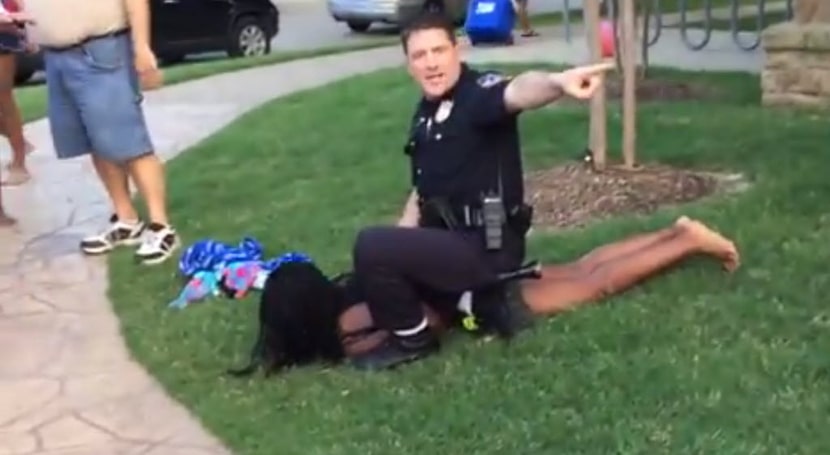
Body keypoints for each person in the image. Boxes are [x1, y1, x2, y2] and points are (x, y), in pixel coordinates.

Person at [345, 12, 615, 371]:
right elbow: (421, 191)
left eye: (438, 51)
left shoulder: (478, 95)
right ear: (409, 65)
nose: (431, 63)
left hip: (486, 247)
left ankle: (413, 340)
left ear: (457, 50)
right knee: (371, 266)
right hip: (449, 241)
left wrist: (555, 82)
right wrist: (399, 241)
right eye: (419, 55)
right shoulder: (425, 113)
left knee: (371, 244)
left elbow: (517, 91)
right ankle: (479, 302)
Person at [229, 216, 740, 377]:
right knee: (584, 265)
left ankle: (687, 242)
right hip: (472, 271)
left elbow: (423, 324)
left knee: (594, 283)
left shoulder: (350, 327)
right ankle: (673, 233)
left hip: (476, 297)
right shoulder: (348, 288)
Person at [23, 0, 178, 264]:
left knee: (129, 139)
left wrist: (142, 48)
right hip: (56, 58)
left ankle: (160, 227)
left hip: (101, 51)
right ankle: (126, 218)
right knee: (94, 140)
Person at [0, 0, 34, 186]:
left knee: (4, 100)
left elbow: (18, 7)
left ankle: (19, 164)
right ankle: (18, 140)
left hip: (3, 38)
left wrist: (26, 35)